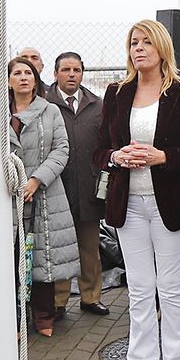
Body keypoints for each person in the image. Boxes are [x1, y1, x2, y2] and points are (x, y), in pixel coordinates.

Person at [95, 20, 180, 360]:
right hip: (128, 204)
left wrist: (163, 157)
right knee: (140, 291)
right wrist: (116, 156)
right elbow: (100, 151)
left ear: (162, 48)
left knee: (172, 289)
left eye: (146, 42)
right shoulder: (116, 93)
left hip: (172, 206)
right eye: (133, 42)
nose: (138, 48)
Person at [9, 56, 79, 336]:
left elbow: (61, 149)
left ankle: (44, 318)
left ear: (36, 80)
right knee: (10, 257)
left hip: (44, 193)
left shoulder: (50, 111)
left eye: (28, 73)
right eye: (17, 73)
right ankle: (14, 320)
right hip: (8, 195)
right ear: (9, 80)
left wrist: (36, 180)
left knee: (42, 256)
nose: (24, 77)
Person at [49, 52, 109, 318]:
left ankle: (90, 297)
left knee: (90, 247)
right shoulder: (46, 104)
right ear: (55, 74)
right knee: (60, 247)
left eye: (76, 70)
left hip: (88, 187)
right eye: (66, 69)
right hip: (57, 188)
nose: (71, 74)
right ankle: (58, 301)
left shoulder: (97, 105)